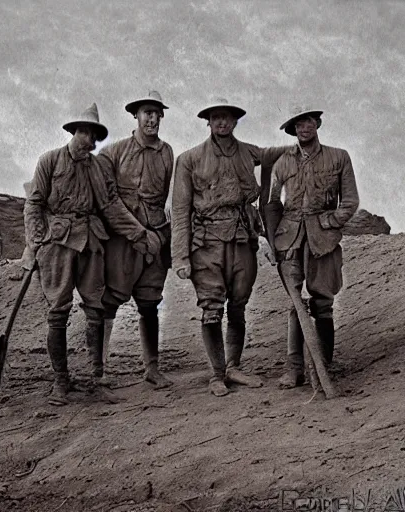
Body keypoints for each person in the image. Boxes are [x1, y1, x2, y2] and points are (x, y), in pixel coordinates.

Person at [23, 103, 161, 405]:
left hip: (91, 244)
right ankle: (62, 382)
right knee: (58, 312)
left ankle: (96, 379)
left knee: (95, 309)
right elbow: (34, 204)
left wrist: (139, 233)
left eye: (96, 134)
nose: (92, 140)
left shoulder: (98, 166)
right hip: (57, 246)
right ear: (75, 131)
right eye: (87, 133)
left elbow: (111, 206)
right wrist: (35, 243)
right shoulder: (49, 161)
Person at [172, 98, 288, 397]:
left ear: (235, 121)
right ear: (207, 122)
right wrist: (181, 256)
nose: (222, 122)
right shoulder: (189, 159)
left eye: (228, 117)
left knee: (238, 305)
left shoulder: (249, 153)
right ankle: (217, 374)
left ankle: (234, 366)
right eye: (216, 117)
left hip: (242, 239)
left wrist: (302, 143)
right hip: (206, 243)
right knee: (212, 308)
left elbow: (275, 154)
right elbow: (181, 210)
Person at [263, 107, 359, 388]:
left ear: (317, 123)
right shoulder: (282, 163)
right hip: (289, 239)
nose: (303, 127)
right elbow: (270, 203)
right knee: (295, 302)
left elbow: (350, 201)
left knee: (322, 302)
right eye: (297, 123)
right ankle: (294, 369)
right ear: (292, 130)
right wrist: (272, 242)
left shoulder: (338, 157)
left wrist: (330, 220)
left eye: (308, 121)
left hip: (323, 238)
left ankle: (323, 365)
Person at [97, 91, 174, 389]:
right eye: (146, 112)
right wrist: (135, 233)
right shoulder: (113, 152)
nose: (152, 118)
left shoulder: (167, 153)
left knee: (150, 303)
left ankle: (151, 368)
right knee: (110, 302)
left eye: (156, 113)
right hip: (123, 240)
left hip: (156, 239)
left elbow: (170, 198)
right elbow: (107, 199)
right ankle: (100, 368)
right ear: (136, 116)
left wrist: (160, 236)